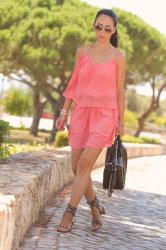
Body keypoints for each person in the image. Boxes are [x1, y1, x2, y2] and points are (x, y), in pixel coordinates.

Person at [55, 8, 126, 233]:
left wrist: (121, 122)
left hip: (106, 115)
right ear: (93, 25)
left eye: (107, 28)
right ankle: (94, 204)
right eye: (98, 27)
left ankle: (70, 213)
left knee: (85, 163)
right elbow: (73, 83)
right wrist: (64, 112)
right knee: (77, 167)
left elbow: (120, 92)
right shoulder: (82, 51)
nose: (102, 32)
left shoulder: (118, 57)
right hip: (81, 113)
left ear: (113, 30)